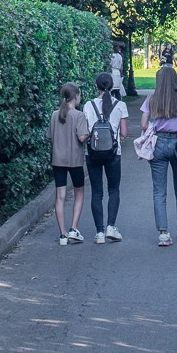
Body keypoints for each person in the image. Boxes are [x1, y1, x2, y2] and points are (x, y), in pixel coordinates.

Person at [141, 62, 177, 246]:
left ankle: (163, 233)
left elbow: (143, 124)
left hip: (158, 144)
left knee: (159, 191)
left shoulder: (151, 99)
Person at [83, 72, 128, 243]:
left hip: (92, 153)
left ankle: (99, 232)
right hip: (113, 153)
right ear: (111, 86)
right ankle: (111, 226)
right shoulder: (120, 105)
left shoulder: (88, 105)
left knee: (96, 192)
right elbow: (124, 133)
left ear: (96, 86)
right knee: (114, 189)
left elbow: (85, 131)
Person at [47, 82, 88, 245]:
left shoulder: (54, 114)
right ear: (76, 96)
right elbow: (82, 137)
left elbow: (50, 136)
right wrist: (89, 133)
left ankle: (62, 234)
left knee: (60, 196)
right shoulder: (79, 115)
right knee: (79, 192)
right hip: (75, 160)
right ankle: (73, 228)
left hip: (58, 159)